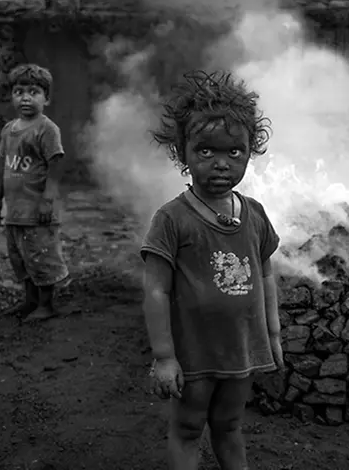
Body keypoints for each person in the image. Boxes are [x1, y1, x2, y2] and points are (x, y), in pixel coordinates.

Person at [140, 70, 283, 470]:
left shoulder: (254, 215)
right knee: (188, 428)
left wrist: (271, 335)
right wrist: (164, 357)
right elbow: (155, 290)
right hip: (194, 355)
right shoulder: (171, 219)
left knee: (230, 425)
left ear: (250, 150)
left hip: (241, 350)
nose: (221, 164)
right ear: (181, 152)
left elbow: (266, 276)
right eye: (206, 152)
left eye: (234, 152)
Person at [0, 63, 69, 323]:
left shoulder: (47, 129)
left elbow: (56, 165)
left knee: (41, 255)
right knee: (21, 257)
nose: (25, 97)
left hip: (38, 210)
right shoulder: (8, 130)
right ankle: (30, 300)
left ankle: (46, 304)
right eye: (19, 91)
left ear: (46, 98)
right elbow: (3, 166)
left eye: (33, 91)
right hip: (15, 210)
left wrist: (48, 200)